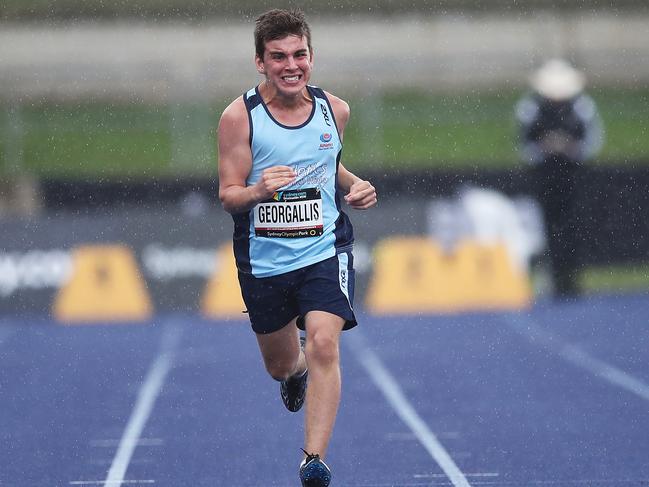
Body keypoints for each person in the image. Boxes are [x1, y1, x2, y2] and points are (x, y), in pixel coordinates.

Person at [217, 8, 377, 487]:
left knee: (326, 341)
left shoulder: (335, 110)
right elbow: (229, 196)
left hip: (324, 249)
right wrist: (259, 191)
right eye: (278, 56)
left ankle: (313, 461)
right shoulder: (239, 118)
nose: (291, 65)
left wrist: (356, 184)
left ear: (312, 56)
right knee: (280, 363)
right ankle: (295, 371)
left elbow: (326, 165)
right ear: (260, 63)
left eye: (299, 54)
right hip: (264, 260)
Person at [515, 58, 603, 298]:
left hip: (572, 175)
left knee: (573, 226)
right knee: (547, 226)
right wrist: (546, 148)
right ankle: (552, 277)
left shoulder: (582, 106)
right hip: (544, 176)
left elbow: (592, 141)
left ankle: (571, 278)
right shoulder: (531, 107)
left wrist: (569, 147)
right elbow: (524, 144)